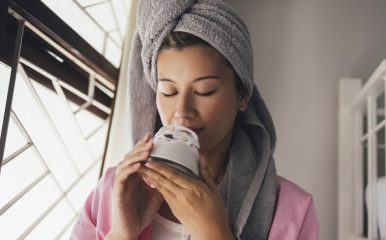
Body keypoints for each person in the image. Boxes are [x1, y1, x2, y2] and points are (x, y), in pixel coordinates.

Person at [70, 0, 319, 239]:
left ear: (242, 95)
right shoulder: (116, 190)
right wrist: (121, 235)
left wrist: (216, 235)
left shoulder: (291, 210)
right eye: (168, 91)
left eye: (204, 91)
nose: (182, 110)